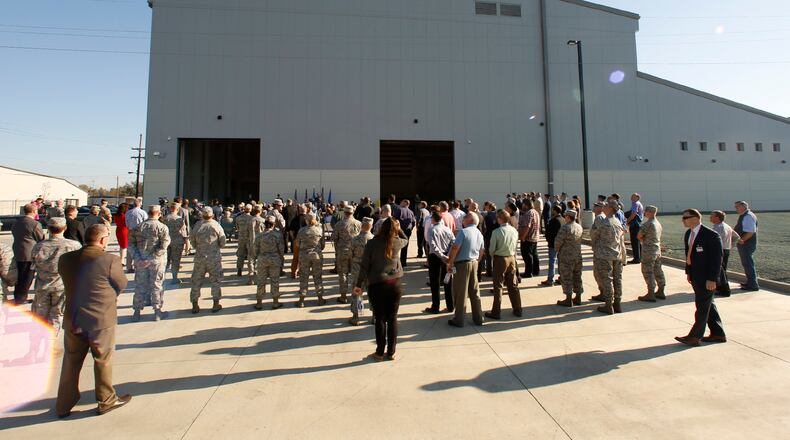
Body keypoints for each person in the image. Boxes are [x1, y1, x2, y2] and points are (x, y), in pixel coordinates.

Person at [56, 224, 131, 417]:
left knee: (71, 361)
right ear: (103, 240)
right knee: (102, 359)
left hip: (73, 317)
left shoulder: (65, 260)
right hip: (100, 319)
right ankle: (106, 400)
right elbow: (121, 284)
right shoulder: (109, 260)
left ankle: (64, 403)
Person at [354, 218, 408, 361]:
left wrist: (359, 284)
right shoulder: (396, 242)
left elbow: (364, 266)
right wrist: (398, 228)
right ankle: (391, 352)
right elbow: (406, 239)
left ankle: (379, 352)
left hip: (377, 283)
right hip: (394, 283)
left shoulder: (372, 243)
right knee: (392, 318)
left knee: (380, 318)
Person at [675, 209, 726, 347]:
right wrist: (689, 272)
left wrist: (712, 279)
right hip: (695, 275)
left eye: (686, 217)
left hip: (707, 277)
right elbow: (689, 255)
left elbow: (717, 260)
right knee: (708, 304)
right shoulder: (689, 234)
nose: (683, 220)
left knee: (702, 307)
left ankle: (694, 336)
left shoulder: (711, 235)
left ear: (696, 218)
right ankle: (718, 333)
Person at [31, 217, 82, 329]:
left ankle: (37, 341)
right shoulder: (74, 246)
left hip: (42, 285)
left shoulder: (39, 246)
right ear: (65, 228)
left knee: (39, 317)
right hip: (62, 286)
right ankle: (51, 339)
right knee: (57, 316)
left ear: (48, 228)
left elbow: (33, 266)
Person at [128, 205, 171, 322]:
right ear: (158, 213)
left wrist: (138, 258)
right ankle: (157, 312)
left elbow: (131, 245)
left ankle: (136, 312)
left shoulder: (138, 227)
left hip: (141, 261)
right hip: (157, 262)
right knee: (157, 286)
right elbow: (164, 245)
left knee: (140, 286)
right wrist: (151, 258)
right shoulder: (162, 227)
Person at [447, 212, 486, 327]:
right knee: (474, 292)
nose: (462, 220)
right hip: (473, 263)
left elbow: (455, 248)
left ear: (469, 220)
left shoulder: (463, 232)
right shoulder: (479, 233)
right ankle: (478, 318)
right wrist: (477, 261)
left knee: (460, 292)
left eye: (465, 218)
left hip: (462, 265)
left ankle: (458, 319)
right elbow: (482, 250)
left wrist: (450, 262)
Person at [485, 209, 522, 318]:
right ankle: (518, 308)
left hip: (500, 259)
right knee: (513, 285)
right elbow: (515, 246)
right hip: (511, 258)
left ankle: (496, 311)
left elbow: (491, 250)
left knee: (498, 286)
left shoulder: (496, 232)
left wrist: (494, 257)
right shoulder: (514, 230)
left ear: (500, 219)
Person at [590, 200, 625, 315]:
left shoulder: (605, 223)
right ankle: (617, 303)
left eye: (606, 205)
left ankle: (609, 305)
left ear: (610, 208)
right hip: (617, 255)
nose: (603, 206)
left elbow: (594, 235)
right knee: (617, 279)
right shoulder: (617, 222)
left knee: (606, 279)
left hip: (605, 255)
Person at [190, 207, 226, 313]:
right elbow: (223, 241)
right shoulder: (216, 225)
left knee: (196, 281)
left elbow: (192, 241)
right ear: (212, 215)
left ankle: (195, 304)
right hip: (213, 258)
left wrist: (199, 247)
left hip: (200, 257)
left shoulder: (197, 226)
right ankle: (215, 303)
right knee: (215, 281)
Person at [12, 203, 45, 304]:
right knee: (27, 276)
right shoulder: (35, 224)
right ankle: (22, 298)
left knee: (19, 275)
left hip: (18, 250)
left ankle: (17, 296)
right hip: (29, 253)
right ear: (34, 212)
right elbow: (41, 239)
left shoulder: (16, 222)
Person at [251, 215, 285, 310]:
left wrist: (258, 256)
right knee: (274, 281)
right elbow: (281, 249)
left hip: (262, 259)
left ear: (265, 224)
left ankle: (259, 302)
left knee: (261, 281)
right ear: (274, 224)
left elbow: (255, 249)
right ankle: (275, 302)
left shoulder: (259, 235)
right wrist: (280, 257)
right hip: (274, 259)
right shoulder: (278, 235)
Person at [425, 211, 455, 314]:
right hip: (446, 257)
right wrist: (448, 256)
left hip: (435, 258)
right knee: (447, 282)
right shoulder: (447, 229)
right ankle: (451, 306)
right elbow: (453, 242)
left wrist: (442, 256)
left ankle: (435, 307)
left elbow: (432, 245)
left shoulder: (431, 229)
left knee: (435, 283)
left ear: (433, 219)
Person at [294, 212, 326, 307]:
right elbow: (323, 245)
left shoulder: (301, 231)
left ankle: (301, 300)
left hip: (304, 256)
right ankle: (320, 299)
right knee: (317, 277)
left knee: (304, 277)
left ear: (306, 220)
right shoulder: (319, 230)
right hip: (316, 256)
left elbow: (297, 244)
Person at [331, 205, 361, 304]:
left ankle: (343, 297)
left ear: (344, 212)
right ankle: (356, 296)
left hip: (342, 252)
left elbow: (334, 237)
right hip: (355, 253)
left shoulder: (339, 224)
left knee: (343, 274)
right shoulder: (358, 223)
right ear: (353, 212)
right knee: (355, 275)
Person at [554, 210, 584, 306]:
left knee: (566, 277)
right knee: (577, 276)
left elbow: (558, 243)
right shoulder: (579, 227)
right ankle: (578, 297)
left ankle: (568, 299)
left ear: (568, 217)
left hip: (566, 256)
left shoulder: (565, 228)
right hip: (577, 256)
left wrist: (557, 249)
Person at [637, 205, 666, 302]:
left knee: (648, 271)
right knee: (658, 270)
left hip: (648, 251)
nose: (645, 213)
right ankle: (661, 290)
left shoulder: (648, 224)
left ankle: (651, 293)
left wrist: (643, 241)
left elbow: (639, 236)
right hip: (657, 250)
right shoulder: (658, 223)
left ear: (650, 212)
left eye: (646, 211)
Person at [348, 217, 375, 325]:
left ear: (361, 226)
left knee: (358, 293)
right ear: (371, 226)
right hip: (370, 270)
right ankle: (375, 316)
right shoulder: (374, 239)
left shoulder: (354, 239)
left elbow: (351, 255)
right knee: (372, 293)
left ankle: (357, 316)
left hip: (357, 269)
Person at [710, 210, 739, 297]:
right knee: (722, 270)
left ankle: (725, 290)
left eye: (712, 216)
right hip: (725, 250)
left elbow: (714, 241)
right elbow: (736, 237)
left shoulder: (718, 228)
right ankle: (720, 288)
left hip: (719, 251)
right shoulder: (726, 226)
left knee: (720, 271)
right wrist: (730, 245)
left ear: (717, 218)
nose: (710, 217)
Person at [733, 201, 759, 291]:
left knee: (748, 264)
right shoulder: (745, 215)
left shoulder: (748, 216)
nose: (736, 208)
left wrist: (742, 240)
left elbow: (751, 231)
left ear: (744, 206)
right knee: (747, 264)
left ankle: (753, 285)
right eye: (735, 207)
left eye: (738, 206)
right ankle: (750, 282)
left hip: (747, 244)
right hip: (745, 244)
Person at [163, 202, 188, 283]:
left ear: (170, 208)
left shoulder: (164, 218)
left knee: (165, 261)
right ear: (177, 209)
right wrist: (186, 242)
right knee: (176, 260)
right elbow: (183, 232)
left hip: (166, 242)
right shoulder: (180, 219)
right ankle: (174, 278)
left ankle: (162, 277)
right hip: (177, 242)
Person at [541, 205, 564, 287]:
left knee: (552, 262)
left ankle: (550, 280)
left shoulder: (553, 221)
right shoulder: (563, 220)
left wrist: (548, 240)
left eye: (552, 210)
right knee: (561, 261)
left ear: (555, 210)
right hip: (561, 244)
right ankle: (562, 278)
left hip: (553, 244)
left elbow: (549, 232)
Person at [518, 199, 540, 278]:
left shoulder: (528, 213)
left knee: (527, 256)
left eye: (523, 204)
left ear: (526, 205)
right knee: (534, 255)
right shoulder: (535, 212)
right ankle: (535, 271)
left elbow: (527, 226)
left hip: (528, 238)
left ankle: (528, 272)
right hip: (535, 237)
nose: (522, 206)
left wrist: (523, 237)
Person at [125, 197, 148, 272]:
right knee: (139, 249)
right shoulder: (143, 212)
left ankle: (129, 267)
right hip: (140, 232)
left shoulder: (128, 212)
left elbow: (126, 223)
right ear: (140, 204)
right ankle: (137, 265)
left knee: (130, 249)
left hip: (130, 231)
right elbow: (145, 223)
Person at [393, 199, 416, 267]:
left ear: (405, 203)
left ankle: (396, 263)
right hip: (408, 231)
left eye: (402, 202)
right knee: (405, 247)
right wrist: (411, 229)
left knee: (396, 246)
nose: (400, 203)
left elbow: (394, 219)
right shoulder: (411, 212)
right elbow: (413, 222)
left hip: (400, 230)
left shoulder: (399, 210)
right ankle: (403, 263)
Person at [235, 204, 254, 279]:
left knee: (240, 254)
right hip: (249, 238)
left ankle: (239, 270)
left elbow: (237, 227)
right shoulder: (252, 218)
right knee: (250, 255)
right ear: (250, 210)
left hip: (241, 238)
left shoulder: (238, 218)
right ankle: (251, 270)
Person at [625, 193, 644, 264]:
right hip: (638, 224)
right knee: (638, 242)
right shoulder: (638, 203)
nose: (631, 197)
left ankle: (636, 259)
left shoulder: (635, 204)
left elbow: (633, 214)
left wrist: (627, 221)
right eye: (631, 196)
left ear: (637, 197)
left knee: (634, 242)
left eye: (633, 196)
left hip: (634, 225)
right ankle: (640, 258)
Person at [113, 203, 129, 268]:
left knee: (121, 246)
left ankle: (121, 259)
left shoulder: (116, 215)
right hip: (124, 231)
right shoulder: (124, 216)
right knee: (124, 247)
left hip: (118, 230)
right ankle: (122, 261)